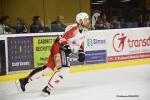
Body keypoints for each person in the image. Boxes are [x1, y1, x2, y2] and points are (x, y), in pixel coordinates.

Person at [16, 12, 90, 96]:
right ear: (80, 21)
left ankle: (24, 81)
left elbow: (80, 42)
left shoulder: (84, 31)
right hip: (59, 47)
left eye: (87, 19)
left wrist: (81, 52)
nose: (88, 21)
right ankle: (47, 88)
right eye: (85, 19)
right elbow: (62, 39)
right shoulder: (74, 29)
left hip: (61, 48)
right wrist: (66, 46)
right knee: (65, 70)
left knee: (48, 68)